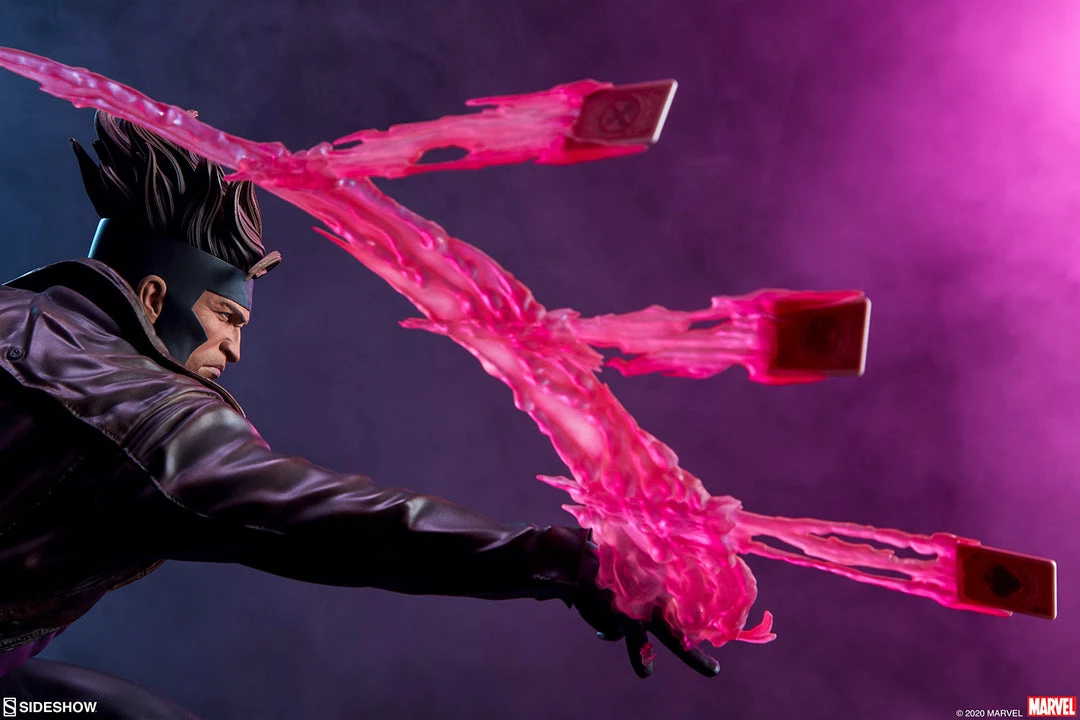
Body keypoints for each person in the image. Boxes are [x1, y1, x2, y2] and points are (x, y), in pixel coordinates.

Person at [0, 110, 719, 718]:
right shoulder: (142, 416)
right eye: (225, 317)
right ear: (155, 299)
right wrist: (568, 562)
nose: (234, 350)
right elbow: (330, 518)